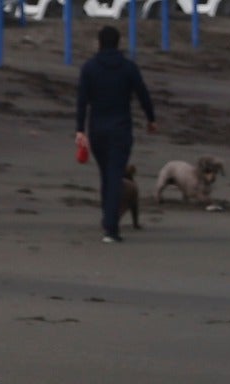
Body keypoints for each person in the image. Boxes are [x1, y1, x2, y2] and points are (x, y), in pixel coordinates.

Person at [75, 25, 157, 244]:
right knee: (114, 175)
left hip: (98, 129)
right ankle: (110, 227)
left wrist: (80, 130)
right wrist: (151, 119)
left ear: (99, 42)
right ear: (118, 43)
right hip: (121, 129)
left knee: (107, 175)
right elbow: (143, 94)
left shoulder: (90, 68)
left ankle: (108, 219)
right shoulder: (128, 68)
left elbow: (82, 101)